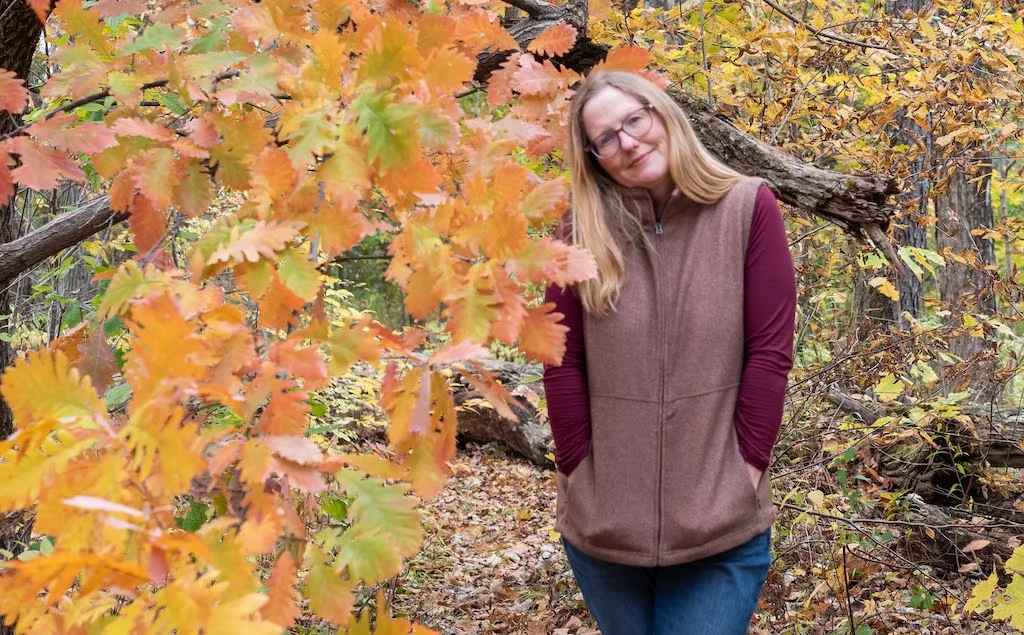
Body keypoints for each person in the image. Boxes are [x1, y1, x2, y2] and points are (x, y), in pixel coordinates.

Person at [542, 70, 798, 634]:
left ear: (663, 116)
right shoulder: (576, 232)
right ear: (594, 157)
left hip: (720, 527)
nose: (628, 142)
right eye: (606, 138)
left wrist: (743, 471)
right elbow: (560, 361)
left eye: (635, 120)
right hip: (605, 530)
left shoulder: (747, 209)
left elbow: (770, 353)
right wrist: (578, 470)